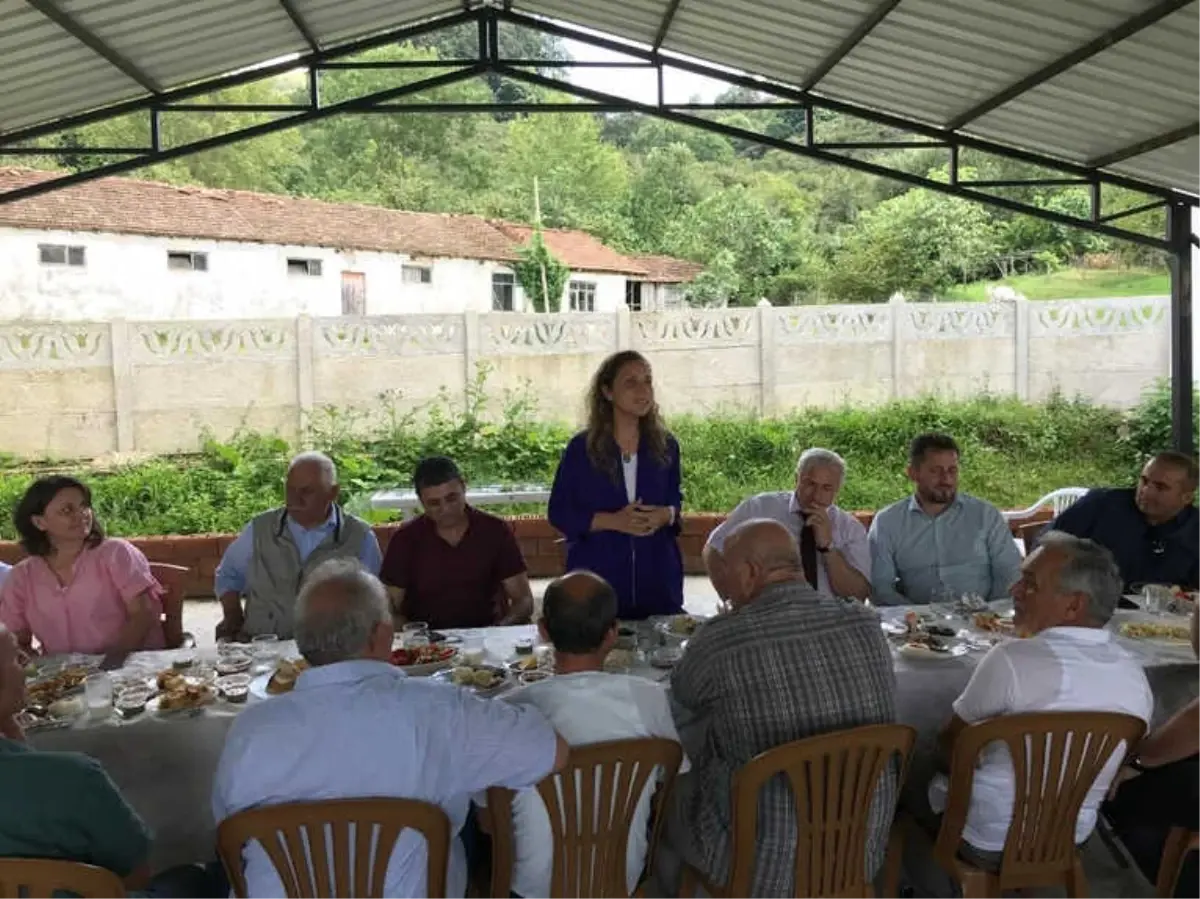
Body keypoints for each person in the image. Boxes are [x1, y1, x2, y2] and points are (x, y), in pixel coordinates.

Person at [212, 558, 568, 899]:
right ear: (382, 635)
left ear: (302, 641)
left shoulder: (249, 730)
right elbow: (552, 751)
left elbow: (229, 835)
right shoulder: (438, 709)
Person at [656, 519, 897, 898]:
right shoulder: (866, 624)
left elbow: (683, 695)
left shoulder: (721, 639)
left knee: (669, 789)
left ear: (751, 572)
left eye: (726, 575)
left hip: (759, 865)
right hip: (857, 852)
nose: (724, 587)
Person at [928, 531, 1152, 869]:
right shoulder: (1135, 674)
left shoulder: (1012, 658)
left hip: (986, 840)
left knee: (909, 776)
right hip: (1071, 839)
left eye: (1029, 584)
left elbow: (950, 744)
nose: (1013, 590)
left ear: (1074, 604)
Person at [481, 570, 685, 899]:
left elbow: (488, 817)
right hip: (621, 879)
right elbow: (671, 782)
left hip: (532, 889)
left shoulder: (510, 710)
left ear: (543, 631)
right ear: (612, 633)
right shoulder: (648, 697)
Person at [0, 627, 217, 899]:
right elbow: (135, 876)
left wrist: (7, 723)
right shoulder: (73, 778)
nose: (26, 663)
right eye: (15, 658)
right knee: (198, 876)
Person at [547, 351, 683, 620]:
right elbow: (559, 512)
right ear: (607, 392)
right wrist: (613, 521)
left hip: (657, 578)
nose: (643, 390)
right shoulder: (581, 449)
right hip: (598, 582)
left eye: (648, 381)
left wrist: (665, 515)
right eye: (631, 382)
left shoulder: (666, 446)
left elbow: (675, 503)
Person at [213, 451, 381, 640]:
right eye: (290, 490)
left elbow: (373, 602)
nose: (295, 499)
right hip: (264, 648)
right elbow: (228, 574)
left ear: (333, 493)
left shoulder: (359, 537)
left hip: (330, 652)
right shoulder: (260, 529)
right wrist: (233, 617)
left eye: (306, 491)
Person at [0, 476, 165, 664]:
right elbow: (16, 640)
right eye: (67, 510)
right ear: (39, 523)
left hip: (133, 668)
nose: (82, 515)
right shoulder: (22, 576)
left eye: (84, 506)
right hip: (65, 679)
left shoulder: (115, 553)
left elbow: (143, 614)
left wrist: (109, 665)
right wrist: (36, 670)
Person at [380, 456, 533, 629]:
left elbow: (523, 600)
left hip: (487, 635)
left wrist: (500, 628)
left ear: (464, 487)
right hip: (425, 642)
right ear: (421, 501)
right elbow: (388, 610)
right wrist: (417, 636)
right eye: (434, 504)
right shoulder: (405, 539)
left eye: (452, 498)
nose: (446, 509)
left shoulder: (495, 531)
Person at [868, 433, 1021, 606]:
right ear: (913, 473)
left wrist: (989, 614)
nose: (946, 479)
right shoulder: (888, 522)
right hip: (917, 624)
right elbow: (879, 586)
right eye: (936, 471)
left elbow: (1009, 573)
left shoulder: (985, 515)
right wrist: (917, 618)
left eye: (952, 470)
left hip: (984, 619)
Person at [703, 448, 870, 600]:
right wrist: (731, 599)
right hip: (769, 614)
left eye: (826, 488)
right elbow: (714, 548)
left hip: (829, 618)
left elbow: (859, 594)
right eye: (810, 484)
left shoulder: (850, 528)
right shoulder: (761, 507)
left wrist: (828, 548)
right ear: (796, 479)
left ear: (837, 491)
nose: (816, 495)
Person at [1052, 451, 1200, 591]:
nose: (1146, 491)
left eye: (1161, 487)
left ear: (1186, 497)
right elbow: (1047, 547)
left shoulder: (1195, 530)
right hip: (1087, 607)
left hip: (1168, 614)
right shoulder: (1099, 506)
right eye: (1144, 481)